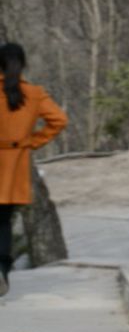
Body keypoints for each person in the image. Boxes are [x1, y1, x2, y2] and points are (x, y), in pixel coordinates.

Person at [1, 41, 69, 297]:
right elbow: (59, 120)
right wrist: (31, 142)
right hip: (14, 163)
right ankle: (2, 268)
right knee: (4, 221)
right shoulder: (34, 93)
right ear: (23, 63)